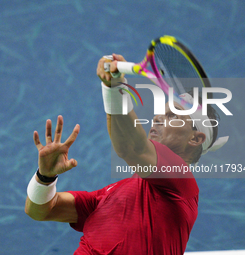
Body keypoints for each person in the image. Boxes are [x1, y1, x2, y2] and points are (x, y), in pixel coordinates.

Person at [24, 54, 228, 254]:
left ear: (195, 139)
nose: (157, 118)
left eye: (172, 115)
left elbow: (131, 148)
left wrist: (114, 88)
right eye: (161, 112)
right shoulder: (110, 194)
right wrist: (45, 178)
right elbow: (40, 210)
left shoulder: (180, 177)